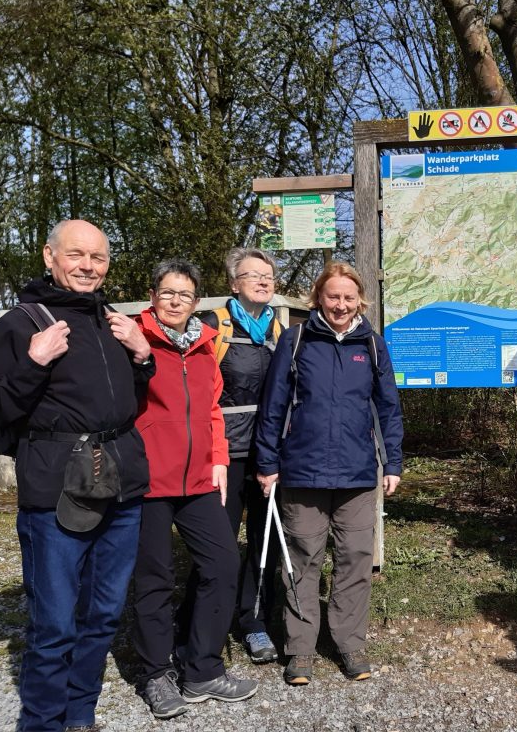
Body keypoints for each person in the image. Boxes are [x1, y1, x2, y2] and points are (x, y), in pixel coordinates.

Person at [0, 219, 154, 732]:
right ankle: (43, 722)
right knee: (54, 624)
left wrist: (142, 357)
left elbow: (123, 401)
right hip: (55, 493)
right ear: (49, 256)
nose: (88, 266)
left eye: (98, 258)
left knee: (101, 615)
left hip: (119, 483)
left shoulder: (112, 320)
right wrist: (33, 363)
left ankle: (81, 715)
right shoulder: (21, 323)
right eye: (76, 255)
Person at [255, 262, 404, 685]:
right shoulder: (297, 340)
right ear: (318, 298)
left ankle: (349, 644)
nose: (340, 305)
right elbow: (274, 406)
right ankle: (300, 650)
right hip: (302, 473)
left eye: (348, 297)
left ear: (360, 301)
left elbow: (389, 408)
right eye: (332, 296)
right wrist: (267, 464)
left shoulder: (372, 345)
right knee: (302, 562)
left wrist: (392, 462)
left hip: (358, 475)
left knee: (355, 561)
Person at [133, 259, 258, 719]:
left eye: (184, 295)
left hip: (199, 479)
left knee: (224, 564)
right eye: (167, 292)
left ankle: (201, 667)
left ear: (196, 302)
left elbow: (211, 411)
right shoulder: (134, 339)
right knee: (155, 578)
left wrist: (220, 458)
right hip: (148, 481)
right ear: (152, 295)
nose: (175, 302)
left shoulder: (206, 347)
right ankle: (155, 673)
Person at [182, 248, 283, 665]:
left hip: (269, 455)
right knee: (217, 544)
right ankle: (196, 624)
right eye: (252, 275)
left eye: (268, 275)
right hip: (223, 455)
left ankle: (254, 622)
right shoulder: (211, 328)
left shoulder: (279, 330)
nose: (262, 281)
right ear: (233, 284)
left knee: (266, 543)